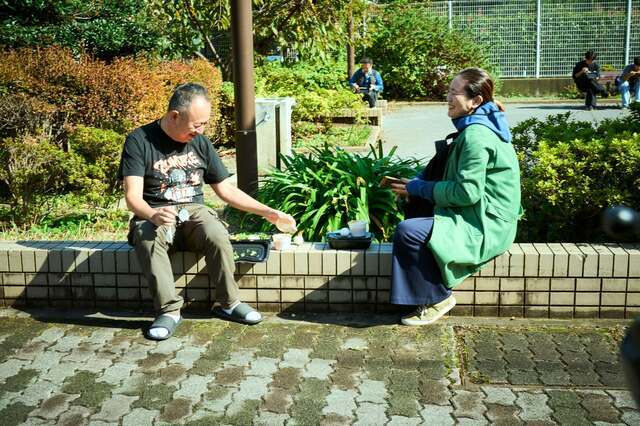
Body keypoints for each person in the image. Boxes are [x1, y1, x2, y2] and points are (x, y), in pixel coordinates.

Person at [118, 83, 297, 340]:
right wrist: (153, 215)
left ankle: (229, 303)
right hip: (155, 212)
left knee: (215, 230)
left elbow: (226, 190)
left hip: (193, 213)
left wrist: (268, 212)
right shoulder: (139, 140)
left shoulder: (201, 143)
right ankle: (169, 312)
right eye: (196, 125)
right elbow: (132, 196)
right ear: (174, 116)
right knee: (147, 235)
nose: (201, 131)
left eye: (204, 124)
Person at [388, 68, 521, 326]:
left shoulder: (476, 135)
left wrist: (418, 188)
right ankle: (423, 294)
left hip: (486, 222)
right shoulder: (477, 125)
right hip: (479, 210)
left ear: (475, 101)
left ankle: (438, 297)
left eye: (454, 93)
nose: (448, 98)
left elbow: (466, 192)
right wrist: (417, 187)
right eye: (448, 92)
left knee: (408, 231)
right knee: (417, 209)